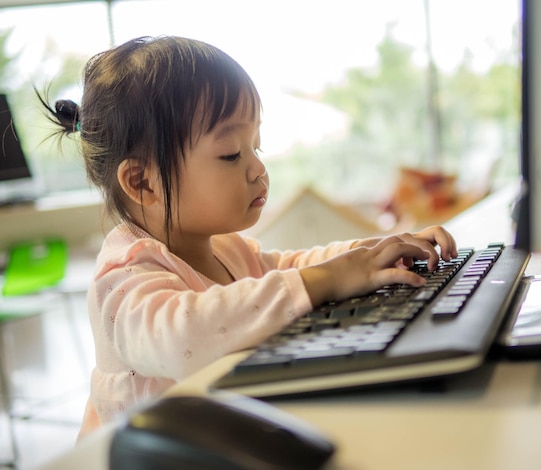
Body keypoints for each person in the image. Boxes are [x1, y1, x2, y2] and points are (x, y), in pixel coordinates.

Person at [40, 36, 457, 438]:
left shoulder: (222, 247)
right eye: (231, 154)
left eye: (256, 146)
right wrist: (328, 279)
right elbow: (183, 336)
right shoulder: (124, 276)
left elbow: (287, 269)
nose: (258, 169)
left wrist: (368, 254)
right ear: (142, 182)